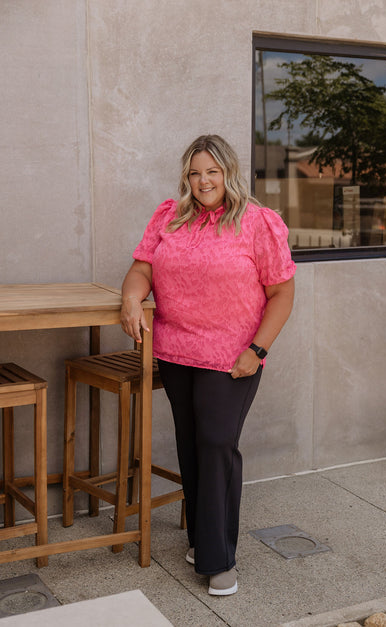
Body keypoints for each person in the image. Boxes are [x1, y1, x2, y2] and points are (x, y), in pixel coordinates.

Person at [120, 134, 296, 596]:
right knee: (192, 444)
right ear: (187, 176)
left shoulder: (257, 222)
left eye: (212, 171)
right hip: (176, 351)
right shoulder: (170, 217)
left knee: (217, 443)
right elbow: (142, 268)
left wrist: (256, 350)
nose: (203, 181)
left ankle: (219, 560)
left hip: (233, 356)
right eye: (196, 172)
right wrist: (131, 299)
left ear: (228, 173)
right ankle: (201, 539)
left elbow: (282, 293)